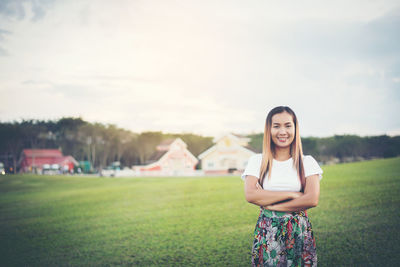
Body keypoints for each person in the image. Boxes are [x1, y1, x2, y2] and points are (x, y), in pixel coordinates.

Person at [241, 106, 323, 267]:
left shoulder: (307, 162)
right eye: (276, 126)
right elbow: (250, 194)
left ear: (295, 128)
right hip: (267, 231)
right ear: (269, 129)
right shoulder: (258, 160)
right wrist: (293, 194)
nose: (282, 131)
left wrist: (269, 203)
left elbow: (312, 199)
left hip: (298, 230)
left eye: (287, 125)